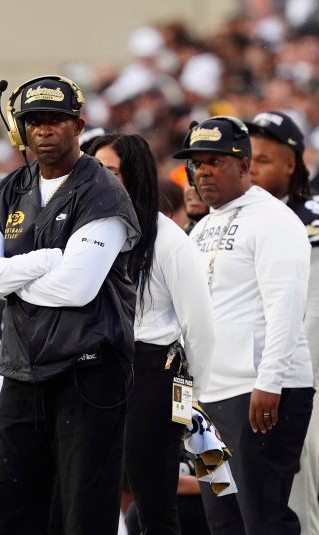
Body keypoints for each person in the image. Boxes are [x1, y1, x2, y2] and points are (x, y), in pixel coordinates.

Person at [0, 75, 141, 535]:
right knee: (4, 510)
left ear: (78, 125)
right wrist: (44, 261)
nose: (44, 130)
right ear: (20, 130)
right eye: (34, 121)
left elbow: (76, 289)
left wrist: (9, 279)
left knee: (82, 513)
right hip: (21, 369)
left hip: (88, 374)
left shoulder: (103, 190)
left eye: (55, 120)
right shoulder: (9, 188)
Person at [173, 115, 314, 535]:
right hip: (204, 404)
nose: (203, 172)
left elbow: (286, 306)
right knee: (223, 518)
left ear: (244, 165)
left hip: (256, 394)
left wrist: (270, 381)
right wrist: (184, 399)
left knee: (262, 517)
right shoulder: (201, 228)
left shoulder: (274, 219)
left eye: (215, 161)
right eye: (196, 163)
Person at [89, 133, 214, 535]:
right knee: (90, 496)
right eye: (94, 170)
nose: (99, 179)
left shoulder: (169, 240)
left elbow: (200, 325)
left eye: (110, 172)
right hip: (95, 368)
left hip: (154, 372)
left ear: (135, 175)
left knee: (155, 502)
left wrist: (194, 397)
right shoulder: (88, 234)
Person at [246, 110, 319, 535]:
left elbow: (308, 314)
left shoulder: (308, 219)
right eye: (247, 159)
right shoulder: (232, 220)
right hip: (243, 377)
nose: (251, 168)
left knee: (296, 480)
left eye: (263, 160)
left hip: (295, 376)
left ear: (291, 164)